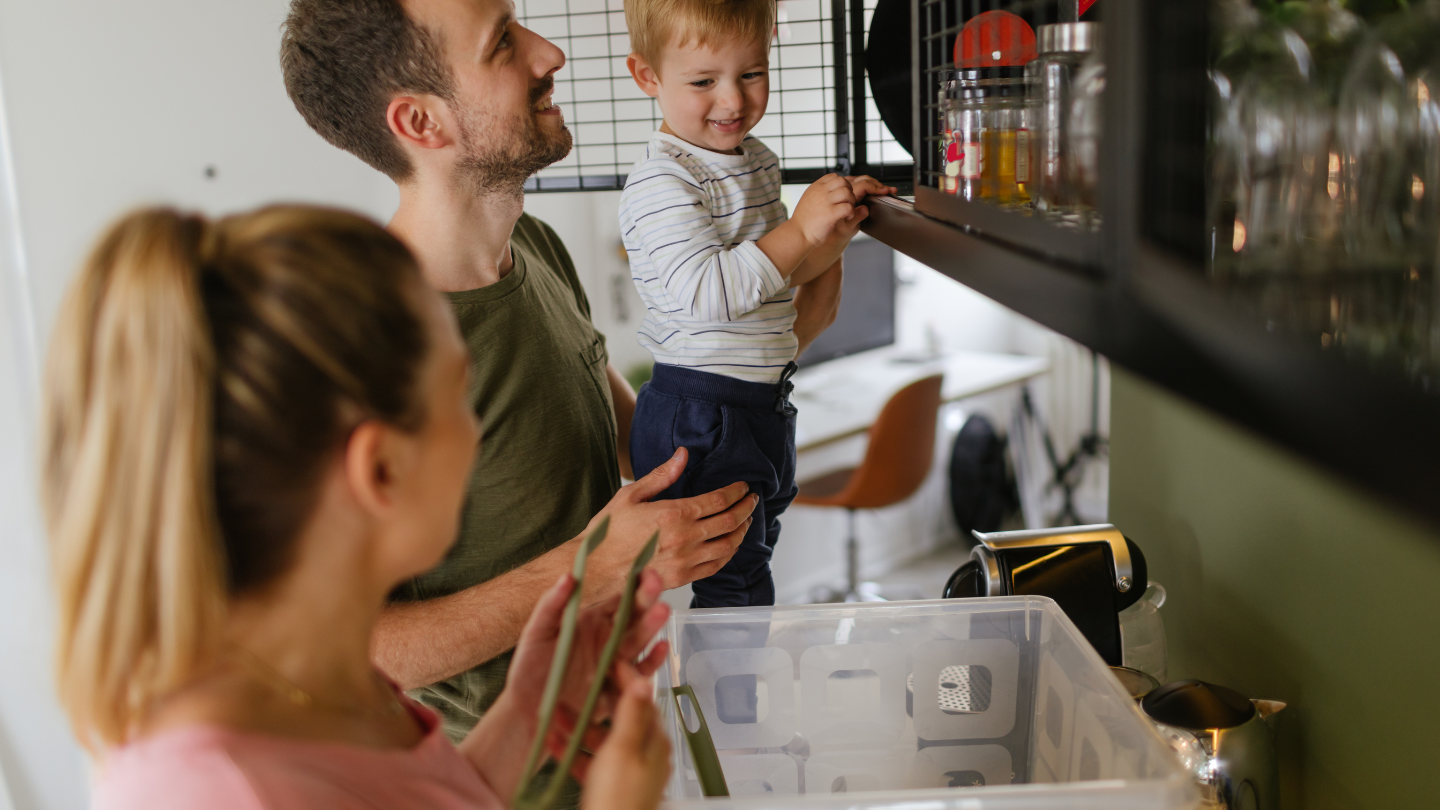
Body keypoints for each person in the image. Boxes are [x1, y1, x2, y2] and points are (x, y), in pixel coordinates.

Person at [277, 3, 773, 785]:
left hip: (619, 760)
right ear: (420, 121)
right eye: (503, 43)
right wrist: (590, 567)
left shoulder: (534, 249)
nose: (550, 54)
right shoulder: (361, 345)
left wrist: (764, 344)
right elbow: (352, 647)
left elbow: (643, 446)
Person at [43, 205, 673, 810]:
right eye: (459, 394)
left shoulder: (321, 684)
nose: (478, 431)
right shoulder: (214, 789)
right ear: (380, 469)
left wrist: (529, 709)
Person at [619, 0, 896, 609]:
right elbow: (709, 294)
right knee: (737, 587)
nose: (734, 100)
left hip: (754, 404)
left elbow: (779, 274)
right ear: (647, 78)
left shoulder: (755, 162)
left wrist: (833, 231)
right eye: (703, 81)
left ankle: (732, 697)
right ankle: (734, 705)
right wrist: (800, 228)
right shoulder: (663, 182)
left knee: (751, 565)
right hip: (703, 408)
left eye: (752, 73)